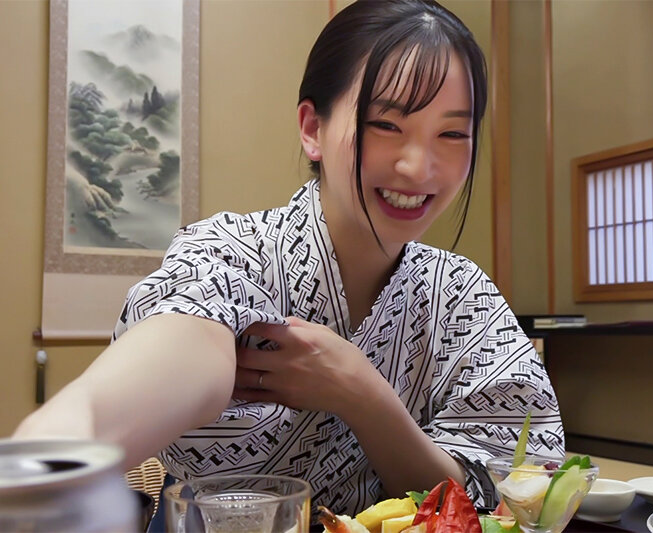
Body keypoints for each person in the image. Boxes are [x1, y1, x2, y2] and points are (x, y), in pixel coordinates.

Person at [14, 0, 563, 514]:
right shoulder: (231, 252)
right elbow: (185, 338)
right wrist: (60, 447)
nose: (419, 168)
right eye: (386, 125)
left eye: (452, 133)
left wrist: (363, 395)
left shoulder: (461, 293)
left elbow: (514, 493)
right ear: (312, 128)